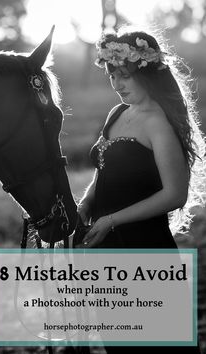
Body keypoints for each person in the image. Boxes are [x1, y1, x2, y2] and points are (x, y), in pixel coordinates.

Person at [77, 26, 205, 353]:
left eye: (125, 76)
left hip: (145, 251)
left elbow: (175, 194)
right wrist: (86, 203)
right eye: (111, 75)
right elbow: (104, 170)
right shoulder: (117, 112)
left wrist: (110, 220)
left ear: (146, 73)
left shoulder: (158, 123)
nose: (117, 85)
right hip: (107, 255)